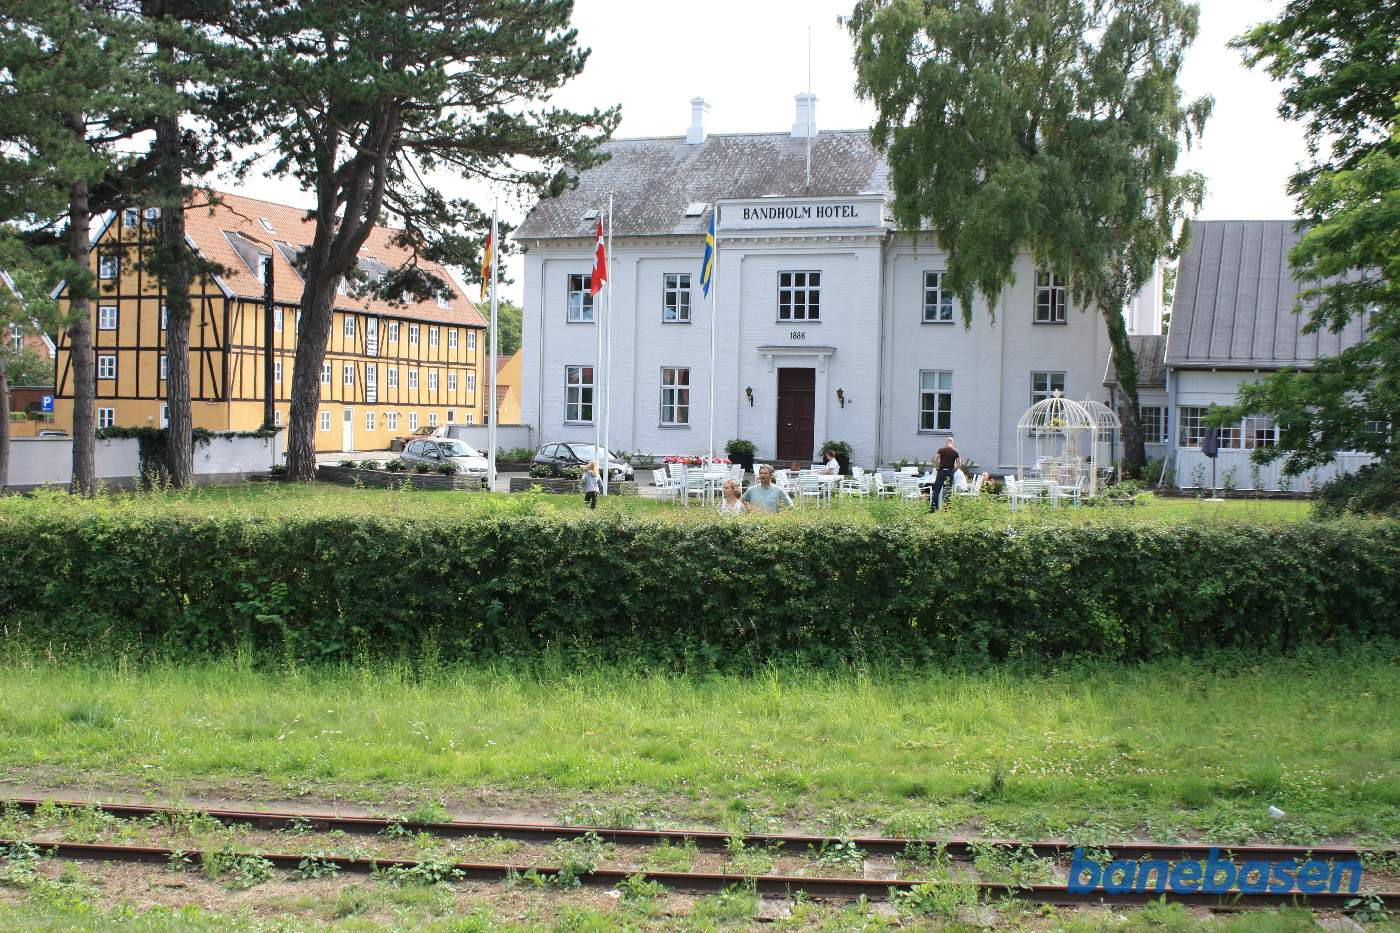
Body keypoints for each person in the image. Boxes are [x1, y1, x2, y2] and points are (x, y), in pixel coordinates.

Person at [929, 437, 960, 512]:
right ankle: (945, 508)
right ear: (952, 443)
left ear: (946, 442)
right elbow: (959, 464)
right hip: (949, 472)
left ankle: (934, 507)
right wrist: (953, 471)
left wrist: (937, 467)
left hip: (941, 472)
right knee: (947, 490)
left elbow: (935, 460)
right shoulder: (955, 451)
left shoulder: (941, 450)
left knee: (936, 490)